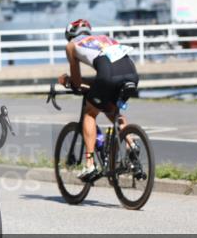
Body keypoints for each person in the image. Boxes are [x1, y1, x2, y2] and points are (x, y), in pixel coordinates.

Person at [58, 19, 139, 182]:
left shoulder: (71, 45)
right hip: (131, 74)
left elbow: (76, 81)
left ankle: (89, 164)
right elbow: (104, 76)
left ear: (70, 35)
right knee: (112, 110)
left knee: (90, 113)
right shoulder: (105, 38)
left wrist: (67, 81)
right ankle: (131, 144)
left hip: (107, 75)